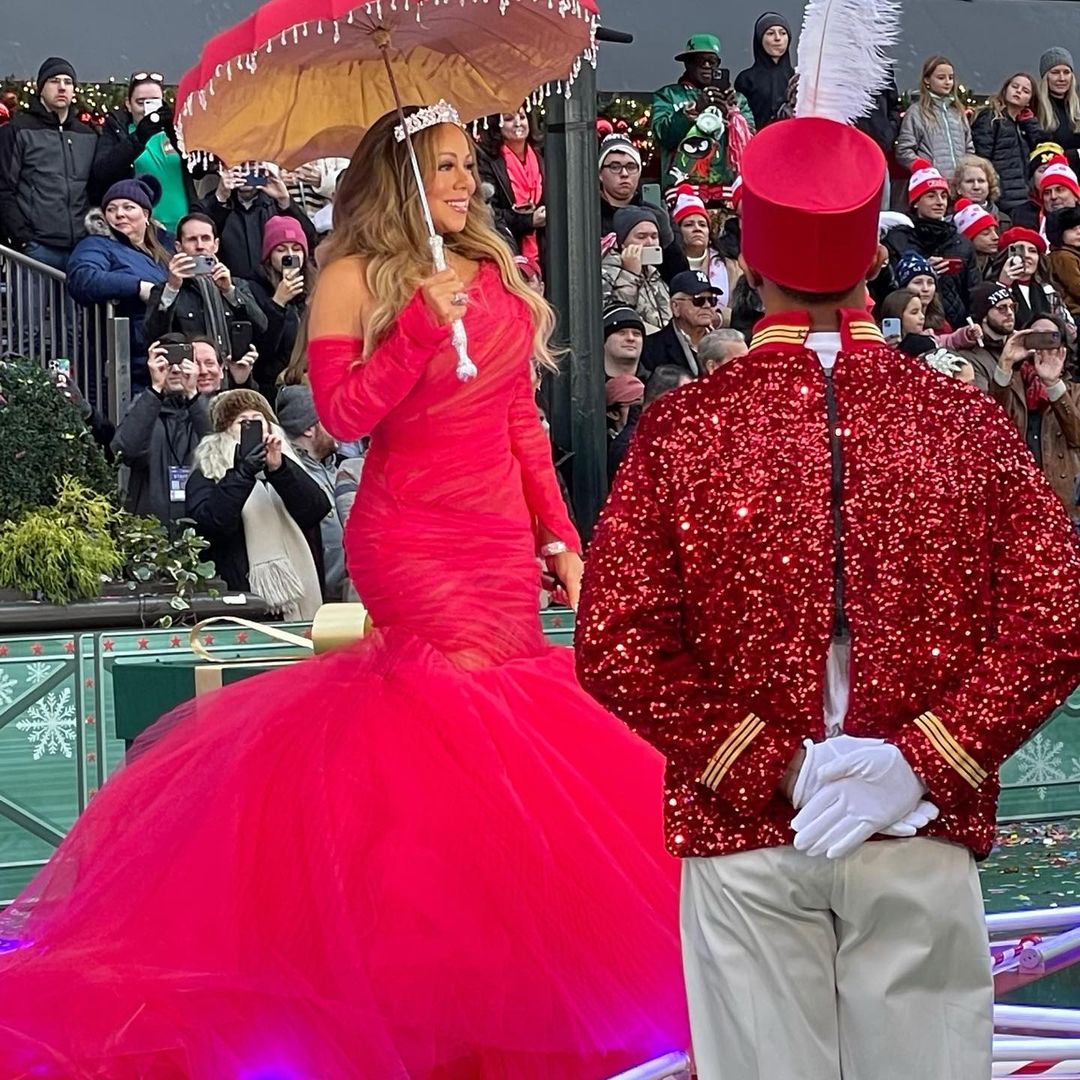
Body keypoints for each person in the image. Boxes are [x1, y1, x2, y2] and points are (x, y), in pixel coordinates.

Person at [0, 103, 689, 1078]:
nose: (465, 183)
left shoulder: (492, 270)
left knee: (506, 748)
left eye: (469, 167)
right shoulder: (350, 277)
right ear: (401, 173)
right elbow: (341, 412)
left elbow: (522, 426)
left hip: (496, 543)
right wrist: (413, 331)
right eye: (446, 167)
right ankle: (423, 996)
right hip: (411, 539)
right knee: (451, 734)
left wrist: (560, 538)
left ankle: (498, 980)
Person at [578, 108, 1080, 1080]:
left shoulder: (687, 431)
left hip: (748, 835)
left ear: (749, 255)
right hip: (916, 827)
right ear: (874, 248)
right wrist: (922, 760)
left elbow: (616, 643)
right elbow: (1057, 614)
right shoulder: (960, 421)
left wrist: (778, 764)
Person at [186, 389, 328, 612]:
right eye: (242, 421)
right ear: (225, 430)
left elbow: (316, 510)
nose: (252, 426)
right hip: (240, 597)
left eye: (258, 420)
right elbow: (212, 524)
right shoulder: (208, 472)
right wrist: (242, 473)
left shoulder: (288, 465)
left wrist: (280, 469)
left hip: (298, 595)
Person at [65, 176, 171, 389]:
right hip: (126, 365)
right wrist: (138, 286)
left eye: (128, 207)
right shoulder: (97, 244)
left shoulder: (165, 251)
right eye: (111, 209)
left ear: (146, 215)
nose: (119, 214)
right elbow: (82, 278)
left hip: (165, 360)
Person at [0, 57, 100, 268]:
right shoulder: (18, 130)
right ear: (41, 88)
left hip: (80, 249)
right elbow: (4, 188)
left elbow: (94, 188)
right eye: (54, 81)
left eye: (68, 82)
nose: (62, 87)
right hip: (36, 249)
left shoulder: (89, 135)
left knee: (73, 303)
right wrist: (22, 238)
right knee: (30, 303)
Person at [111, 335, 212, 530]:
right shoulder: (144, 407)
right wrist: (156, 388)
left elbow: (220, 448)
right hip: (151, 533)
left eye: (181, 363)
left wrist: (192, 394)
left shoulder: (205, 408)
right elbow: (124, 450)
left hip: (202, 531)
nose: (174, 370)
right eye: (166, 364)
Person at [990, 312, 1080, 515]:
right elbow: (992, 424)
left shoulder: (1074, 391)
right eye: (1035, 335)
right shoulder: (1009, 384)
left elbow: (1077, 436)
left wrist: (1053, 385)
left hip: (1061, 499)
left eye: (1050, 337)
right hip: (1018, 497)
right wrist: (1005, 363)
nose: (1041, 344)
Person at [144, 211, 268, 354]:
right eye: (192, 239)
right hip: (190, 371)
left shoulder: (238, 285)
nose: (200, 246)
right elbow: (152, 337)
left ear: (215, 245)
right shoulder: (164, 289)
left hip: (232, 371)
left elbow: (262, 328)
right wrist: (172, 288)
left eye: (205, 238)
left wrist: (229, 291)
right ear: (179, 247)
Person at [651, 34, 755, 200]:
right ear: (687, 64)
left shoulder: (737, 101)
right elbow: (662, 135)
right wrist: (694, 111)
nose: (707, 66)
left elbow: (750, 145)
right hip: (682, 193)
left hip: (728, 193)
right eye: (700, 61)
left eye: (712, 62)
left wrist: (732, 115)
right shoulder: (669, 96)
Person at [92, 71, 195, 234]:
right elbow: (102, 172)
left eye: (153, 102)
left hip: (185, 229)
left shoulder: (177, 130)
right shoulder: (119, 132)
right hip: (144, 231)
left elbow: (199, 170)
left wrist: (174, 133)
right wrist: (139, 137)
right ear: (128, 104)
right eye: (141, 102)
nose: (146, 109)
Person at [884, 158, 979, 327]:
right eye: (931, 195)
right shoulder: (897, 239)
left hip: (957, 331)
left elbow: (973, 292)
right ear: (915, 202)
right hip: (912, 329)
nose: (940, 201)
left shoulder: (961, 243)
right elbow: (889, 290)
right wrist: (920, 272)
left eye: (943, 195)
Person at [275, 383, 347, 602]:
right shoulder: (288, 479)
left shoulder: (343, 467)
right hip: (316, 600)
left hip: (353, 596)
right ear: (308, 428)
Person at [199, 164, 317, 279]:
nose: (245, 172)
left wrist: (285, 201)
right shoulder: (211, 203)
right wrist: (220, 200)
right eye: (238, 166)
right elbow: (200, 241)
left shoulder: (274, 203)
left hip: (275, 287)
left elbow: (310, 241)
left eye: (251, 166)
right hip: (229, 288)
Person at [244, 215, 314, 396]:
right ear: (269, 256)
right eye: (281, 250)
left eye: (296, 249)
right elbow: (262, 351)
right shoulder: (253, 289)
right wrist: (278, 303)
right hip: (274, 388)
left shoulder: (317, 285)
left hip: (312, 384)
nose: (290, 255)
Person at [971, 73, 1043, 228]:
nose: (1018, 92)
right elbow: (982, 160)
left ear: (1030, 100)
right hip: (1000, 198)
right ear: (1005, 89)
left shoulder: (1023, 125)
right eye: (1015, 87)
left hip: (1022, 198)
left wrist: (1030, 123)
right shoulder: (991, 118)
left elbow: (1039, 148)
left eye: (1025, 91)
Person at [477, 107, 545, 264]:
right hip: (507, 249)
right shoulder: (486, 160)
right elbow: (489, 213)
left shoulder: (541, 156)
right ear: (497, 126)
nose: (517, 123)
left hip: (544, 250)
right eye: (508, 119)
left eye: (522, 117)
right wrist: (528, 220)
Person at [896, 55, 974, 183]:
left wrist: (968, 172)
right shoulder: (917, 112)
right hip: (932, 184)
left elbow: (969, 147)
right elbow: (904, 149)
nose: (948, 82)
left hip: (960, 184)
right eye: (941, 78)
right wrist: (923, 168)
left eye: (951, 77)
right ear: (927, 80)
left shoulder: (958, 111)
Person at [601, 206, 673, 334]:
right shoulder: (606, 271)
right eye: (641, 237)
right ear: (622, 242)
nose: (649, 242)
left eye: (654, 236)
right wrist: (630, 275)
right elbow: (615, 315)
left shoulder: (653, 273)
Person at [671, 185, 741, 314]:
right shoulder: (668, 267)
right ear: (678, 232)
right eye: (688, 224)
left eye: (702, 225)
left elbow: (740, 313)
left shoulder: (731, 267)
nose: (697, 228)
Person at [641, 269, 720, 376]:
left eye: (712, 300)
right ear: (675, 306)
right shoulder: (652, 348)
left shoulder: (724, 343)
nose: (707, 306)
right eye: (698, 300)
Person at [734, 12, 796, 132]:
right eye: (770, 33)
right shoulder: (746, 79)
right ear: (760, 39)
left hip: (792, 143)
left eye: (783, 33)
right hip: (758, 144)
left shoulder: (795, 78)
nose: (778, 38)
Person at [956, 281, 1017, 390]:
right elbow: (985, 403)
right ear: (983, 315)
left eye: (1012, 307)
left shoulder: (1018, 348)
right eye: (1001, 308)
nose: (1010, 312)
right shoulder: (970, 359)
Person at [1038, 48, 1080, 158]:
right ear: (1045, 77)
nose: (1062, 78)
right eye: (1055, 72)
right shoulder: (1034, 109)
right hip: (1052, 173)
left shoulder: (1077, 109)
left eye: (1066, 72)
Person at [953, 196, 1000, 275]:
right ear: (969, 238)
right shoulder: (957, 268)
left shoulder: (998, 263)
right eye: (986, 233)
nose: (996, 237)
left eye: (995, 231)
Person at [1048, 205, 1080, 315]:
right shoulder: (1063, 256)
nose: (1079, 232)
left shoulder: (1073, 254)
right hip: (1075, 312)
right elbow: (1076, 286)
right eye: (1072, 229)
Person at [603, 304, 646, 378]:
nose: (631, 338)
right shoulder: (584, 384)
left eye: (636, 334)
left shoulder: (659, 385)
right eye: (621, 333)